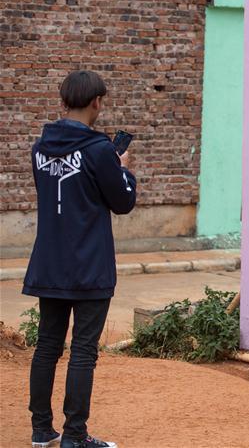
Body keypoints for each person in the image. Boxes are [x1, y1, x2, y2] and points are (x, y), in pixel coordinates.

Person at [23, 70, 137, 448]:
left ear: (63, 101)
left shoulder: (40, 148)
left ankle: (42, 431)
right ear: (96, 103)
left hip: (49, 263)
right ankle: (74, 436)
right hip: (89, 265)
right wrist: (124, 171)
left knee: (47, 346)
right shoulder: (100, 150)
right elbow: (122, 202)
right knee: (83, 351)